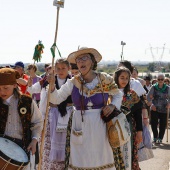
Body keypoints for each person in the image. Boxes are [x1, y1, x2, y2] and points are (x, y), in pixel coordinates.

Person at [48, 47, 123, 170]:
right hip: (79, 125)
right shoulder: (73, 82)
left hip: (101, 125)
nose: (81, 62)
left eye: (84, 58)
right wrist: (51, 86)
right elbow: (56, 99)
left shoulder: (103, 79)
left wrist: (112, 105)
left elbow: (118, 94)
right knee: (81, 158)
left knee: (101, 156)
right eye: (78, 60)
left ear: (92, 61)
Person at [28, 58, 73, 169]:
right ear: (54, 69)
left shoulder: (73, 81)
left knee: (67, 142)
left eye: (63, 68)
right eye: (58, 68)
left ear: (69, 68)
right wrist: (29, 85)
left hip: (68, 116)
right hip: (52, 115)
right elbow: (32, 90)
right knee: (49, 142)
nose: (61, 70)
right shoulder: (47, 80)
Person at [0, 68, 43, 169]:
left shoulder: (26, 102)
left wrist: (34, 140)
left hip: (23, 148)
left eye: (6, 88)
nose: (2, 92)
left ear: (15, 85)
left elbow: (37, 122)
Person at [114, 66, 143, 170]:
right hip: (112, 129)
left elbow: (138, 114)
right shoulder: (109, 93)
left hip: (129, 127)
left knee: (128, 154)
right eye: (122, 77)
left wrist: (140, 131)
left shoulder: (132, 94)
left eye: (127, 78)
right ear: (116, 77)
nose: (124, 80)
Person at [147, 73, 170, 143]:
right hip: (155, 108)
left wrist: (169, 104)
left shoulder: (168, 88)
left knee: (163, 124)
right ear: (157, 80)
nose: (160, 80)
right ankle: (155, 136)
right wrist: (151, 105)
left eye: (162, 79)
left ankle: (160, 138)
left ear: (164, 80)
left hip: (164, 109)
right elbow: (148, 97)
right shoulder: (153, 87)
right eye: (159, 79)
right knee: (154, 123)